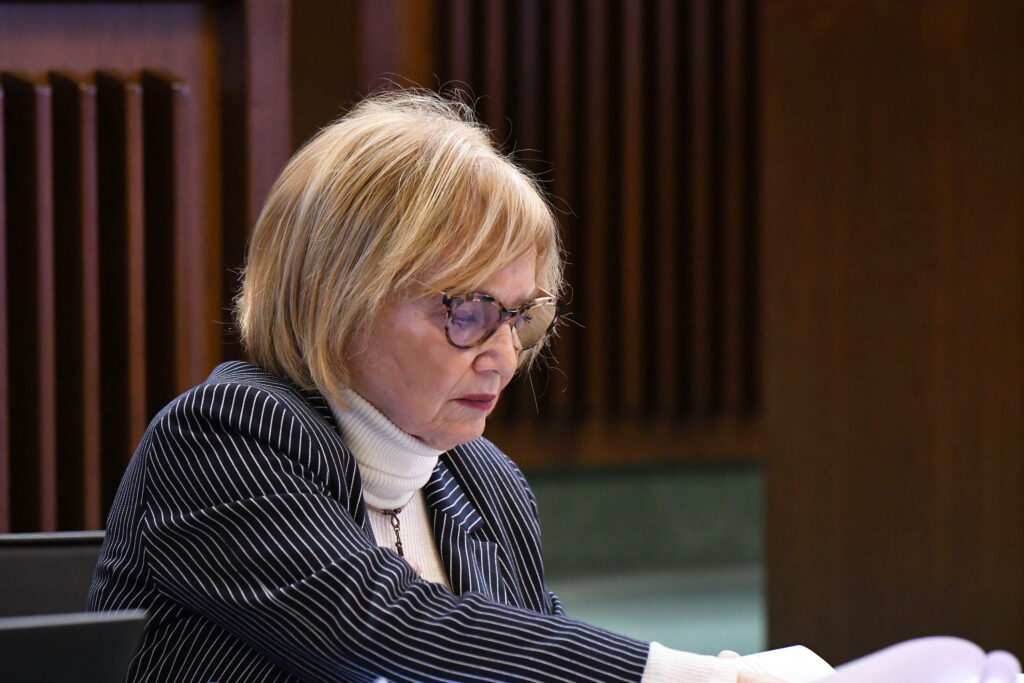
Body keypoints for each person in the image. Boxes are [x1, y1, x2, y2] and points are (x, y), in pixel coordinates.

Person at [89, 89, 784, 682]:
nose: (503, 357)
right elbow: (378, 626)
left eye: (520, 316)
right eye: (469, 313)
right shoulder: (223, 435)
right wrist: (690, 675)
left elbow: (535, 659)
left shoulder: (485, 482)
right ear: (342, 300)